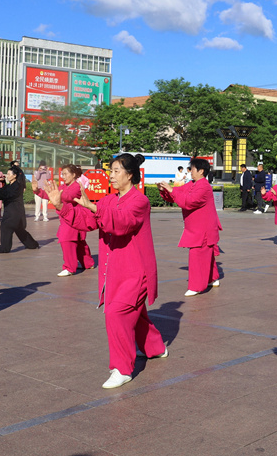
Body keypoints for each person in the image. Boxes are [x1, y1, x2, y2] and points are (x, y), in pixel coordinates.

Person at [46, 153, 167, 389]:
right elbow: (87, 221)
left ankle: (122, 369)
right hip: (114, 272)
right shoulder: (109, 200)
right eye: (110, 171)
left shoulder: (139, 201)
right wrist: (60, 205)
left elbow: (122, 223)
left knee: (117, 313)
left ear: (130, 175)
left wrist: (93, 206)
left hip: (136, 272)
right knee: (135, 313)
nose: (111, 176)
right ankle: (155, 347)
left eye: (116, 171)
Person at [159, 158, 221, 297]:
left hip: (203, 228)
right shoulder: (193, 184)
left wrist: (170, 190)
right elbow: (177, 193)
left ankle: (197, 286)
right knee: (206, 254)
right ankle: (213, 278)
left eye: (192, 169)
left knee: (197, 254)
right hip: (199, 227)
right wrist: (164, 190)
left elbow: (189, 202)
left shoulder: (203, 186)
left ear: (201, 171)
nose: (190, 171)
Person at [47, 164, 94, 276]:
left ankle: (69, 267)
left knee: (66, 240)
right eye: (62, 174)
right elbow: (53, 195)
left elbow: (68, 197)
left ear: (73, 175)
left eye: (65, 174)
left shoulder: (77, 186)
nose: (63, 176)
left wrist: (57, 196)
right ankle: (88, 263)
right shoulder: (63, 187)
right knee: (80, 243)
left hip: (74, 218)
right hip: (68, 218)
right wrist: (38, 191)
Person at [0, 166, 40, 254]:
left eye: (9, 174)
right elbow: (0, 192)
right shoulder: (10, 185)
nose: (7, 175)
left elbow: (4, 194)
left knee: (6, 227)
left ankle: (4, 248)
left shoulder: (17, 186)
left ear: (14, 176)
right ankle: (33, 244)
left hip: (14, 213)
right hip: (14, 213)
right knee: (19, 230)